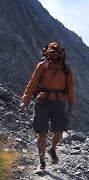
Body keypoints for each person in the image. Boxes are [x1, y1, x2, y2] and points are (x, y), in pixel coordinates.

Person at [20, 42, 74, 175]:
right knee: (42, 133)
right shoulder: (41, 66)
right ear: (47, 53)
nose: (54, 54)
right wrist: (25, 101)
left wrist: (71, 106)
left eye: (56, 52)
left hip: (59, 103)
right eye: (52, 52)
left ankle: (52, 148)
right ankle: (41, 162)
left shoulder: (66, 70)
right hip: (42, 102)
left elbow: (70, 88)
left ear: (61, 53)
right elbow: (32, 84)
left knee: (59, 132)